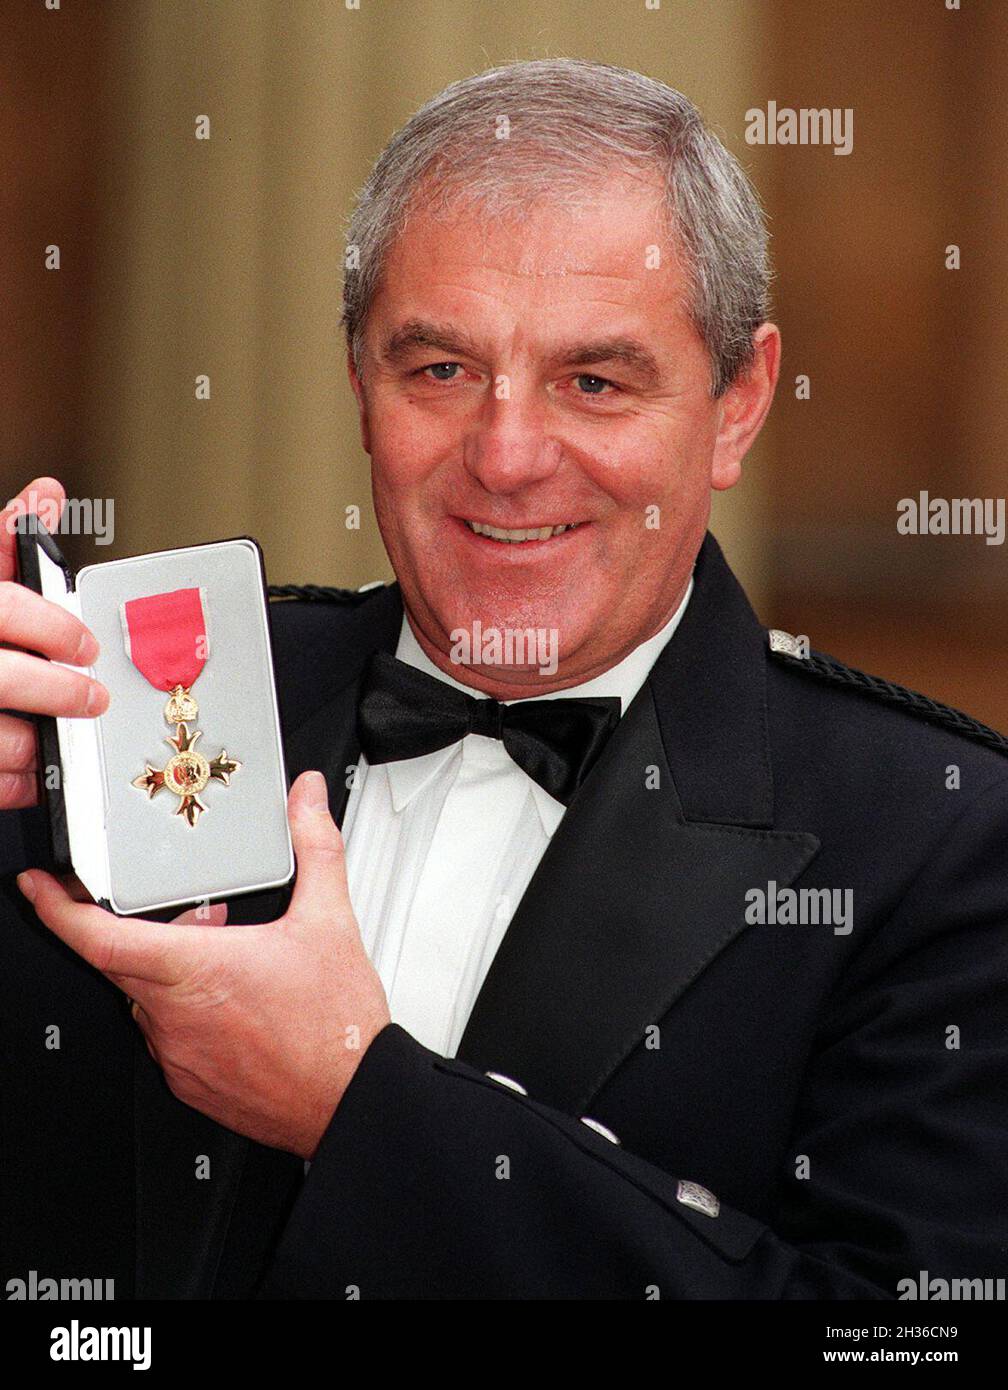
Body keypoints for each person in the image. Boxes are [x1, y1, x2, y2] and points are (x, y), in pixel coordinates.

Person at [2, 59, 1007, 1301]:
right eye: (439, 370)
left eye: (594, 380)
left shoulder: (943, 836)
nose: (508, 455)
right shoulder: (128, 703)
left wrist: (363, 1110)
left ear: (739, 404)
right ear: (360, 384)